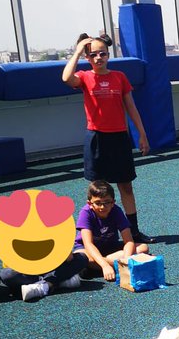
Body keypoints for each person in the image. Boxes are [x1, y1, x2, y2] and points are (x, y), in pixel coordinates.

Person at [62, 33, 151, 243]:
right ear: (88, 58)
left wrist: (142, 134)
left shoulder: (119, 77)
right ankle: (96, 233)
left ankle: (134, 231)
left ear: (108, 55)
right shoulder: (84, 77)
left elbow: (132, 108)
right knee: (97, 189)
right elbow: (66, 78)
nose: (98, 57)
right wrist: (77, 51)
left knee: (126, 186)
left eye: (102, 53)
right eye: (93, 54)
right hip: (96, 139)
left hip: (119, 138)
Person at [75, 179, 148, 281]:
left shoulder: (116, 211)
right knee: (83, 258)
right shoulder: (86, 212)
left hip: (109, 247)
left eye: (107, 202)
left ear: (113, 202)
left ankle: (97, 268)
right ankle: (107, 265)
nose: (102, 207)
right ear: (90, 203)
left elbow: (129, 241)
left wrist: (125, 261)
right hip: (86, 249)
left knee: (143, 248)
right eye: (98, 203)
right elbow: (88, 244)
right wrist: (105, 265)